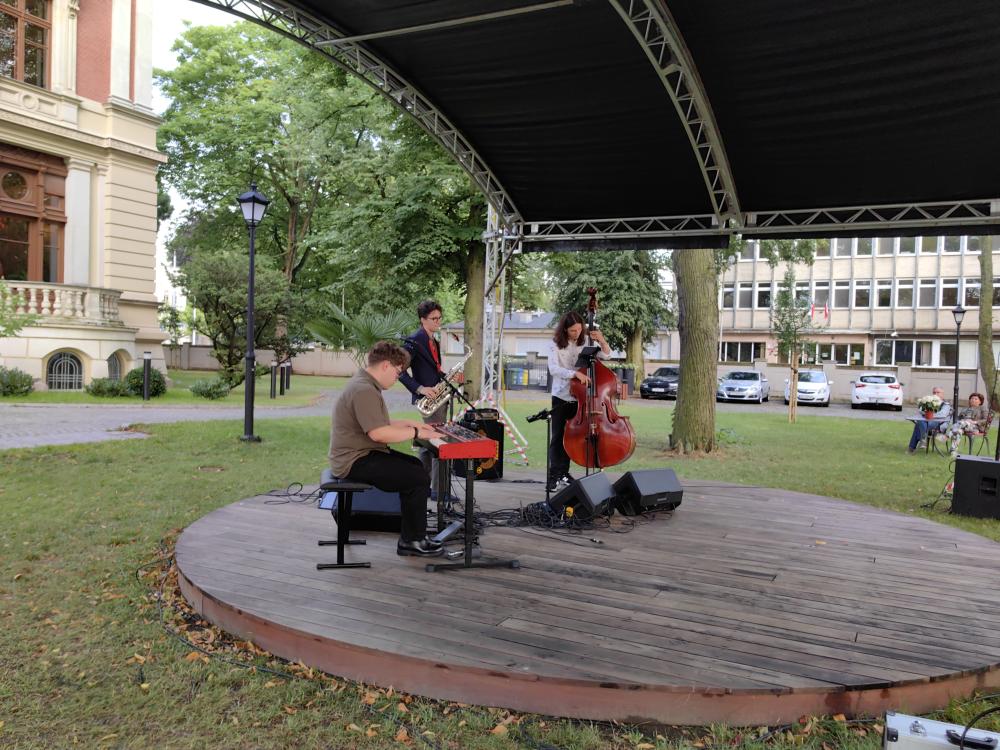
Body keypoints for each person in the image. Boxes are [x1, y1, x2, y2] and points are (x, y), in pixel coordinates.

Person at [328, 341, 443, 557]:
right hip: (353, 461)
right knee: (417, 477)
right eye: (398, 372)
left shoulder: (365, 384)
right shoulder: (364, 390)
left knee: (415, 466)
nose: (397, 377)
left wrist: (410, 423)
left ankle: (413, 536)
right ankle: (412, 541)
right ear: (386, 365)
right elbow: (379, 433)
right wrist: (417, 433)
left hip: (360, 453)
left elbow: (378, 423)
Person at [545, 311, 611, 491]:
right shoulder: (554, 344)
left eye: (579, 330)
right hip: (561, 396)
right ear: (565, 330)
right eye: (573, 331)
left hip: (581, 398)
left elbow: (607, 356)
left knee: (571, 437)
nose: (577, 333)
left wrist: (602, 340)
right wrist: (575, 374)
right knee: (557, 437)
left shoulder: (586, 341)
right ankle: (554, 475)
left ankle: (564, 473)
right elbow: (553, 369)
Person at [399, 300, 463, 480]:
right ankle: (438, 489)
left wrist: (450, 376)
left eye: (440, 318)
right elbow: (399, 370)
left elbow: (433, 369)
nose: (438, 321)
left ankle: (421, 483)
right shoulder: (415, 340)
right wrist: (420, 389)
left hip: (438, 397)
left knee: (428, 443)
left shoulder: (433, 340)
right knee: (438, 441)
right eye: (434, 318)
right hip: (429, 400)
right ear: (422, 320)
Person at [906, 386, 952, 454]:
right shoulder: (929, 402)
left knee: (919, 424)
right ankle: (922, 440)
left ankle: (913, 447)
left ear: (942, 394)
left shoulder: (945, 405)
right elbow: (921, 410)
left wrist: (929, 414)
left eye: (938, 392)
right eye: (934, 392)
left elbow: (942, 414)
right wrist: (926, 413)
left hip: (939, 425)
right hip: (927, 423)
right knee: (920, 423)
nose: (935, 394)